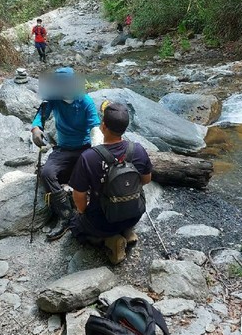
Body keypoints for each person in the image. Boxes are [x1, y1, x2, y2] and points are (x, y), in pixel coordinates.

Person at [69, 102, 153, 264]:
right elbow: (146, 180)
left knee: (75, 225)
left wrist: (83, 212)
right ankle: (127, 231)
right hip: (134, 213)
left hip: (102, 221)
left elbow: (78, 195)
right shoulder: (138, 150)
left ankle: (111, 240)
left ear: (103, 126)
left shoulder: (89, 157)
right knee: (120, 216)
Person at [31, 67, 101, 241]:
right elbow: (41, 114)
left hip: (85, 148)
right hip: (63, 149)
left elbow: (94, 128)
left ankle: (91, 209)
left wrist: (96, 151)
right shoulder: (53, 99)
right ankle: (66, 216)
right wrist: (35, 128)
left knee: (96, 173)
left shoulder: (85, 101)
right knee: (46, 173)